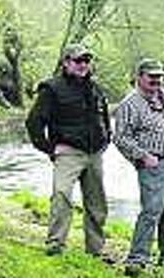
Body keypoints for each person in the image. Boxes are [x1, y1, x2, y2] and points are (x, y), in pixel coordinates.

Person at [25, 43, 111, 258]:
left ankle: (96, 249)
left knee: (97, 202)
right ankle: (55, 244)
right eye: (77, 60)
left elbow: (105, 118)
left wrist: (107, 139)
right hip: (68, 152)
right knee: (62, 195)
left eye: (86, 61)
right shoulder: (51, 89)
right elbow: (33, 122)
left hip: (95, 153)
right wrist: (49, 148)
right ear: (65, 63)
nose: (83, 65)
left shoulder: (96, 88)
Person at [113, 58, 164, 277]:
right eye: (152, 76)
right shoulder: (130, 104)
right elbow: (120, 138)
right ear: (139, 78)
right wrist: (143, 156)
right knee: (151, 211)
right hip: (153, 165)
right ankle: (137, 259)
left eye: (160, 76)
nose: (157, 80)